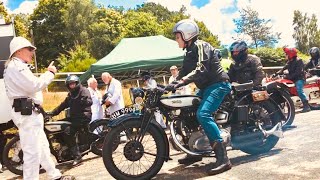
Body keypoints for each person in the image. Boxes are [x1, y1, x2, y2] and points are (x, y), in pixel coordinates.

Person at [3, 36, 73, 180]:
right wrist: (50, 73)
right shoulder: (16, 67)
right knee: (32, 154)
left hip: (29, 113)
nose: (32, 52)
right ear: (19, 50)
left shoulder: (16, 66)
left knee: (42, 147)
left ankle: (54, 175)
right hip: (27, 115)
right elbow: (35, 85)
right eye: (29, 49)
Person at [170, 19, 232, 175]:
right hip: (205, 87)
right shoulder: (189, 51)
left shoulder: (201, 45)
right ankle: (193, 151)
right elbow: (184, 72)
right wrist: (170, 85)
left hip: (218, 84)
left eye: (177, 37)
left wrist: (181, 82)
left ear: (187, 34)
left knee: (203, 114)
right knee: (188, 111)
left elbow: (201, 68)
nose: (176, 40)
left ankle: (223, 159)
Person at [49, 75, 92, 166]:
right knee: (57, 125)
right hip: (74, 117)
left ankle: (78, 157)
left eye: (73, 84)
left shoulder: (84, 91)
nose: (71, 86)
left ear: (77, 83)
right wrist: (51, 113)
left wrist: (84, 100)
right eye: (70, 84)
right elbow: (63, 105)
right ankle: (67, 147)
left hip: (83, 117)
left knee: (68, 132)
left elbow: (89, 101)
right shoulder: (71, 95)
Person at [277, 47, 310, 112]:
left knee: (299, 90)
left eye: (287, 54)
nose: (285, 55)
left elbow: (298, 72)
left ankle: (306, 106)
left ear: (291, 54)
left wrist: (287, 76)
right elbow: (283, 69)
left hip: (299, 78)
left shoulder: (299, 61)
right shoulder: (290, 61)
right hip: (292, 78)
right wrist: (276, 74)